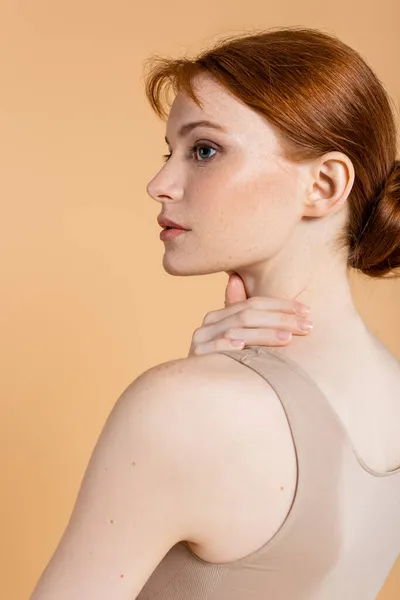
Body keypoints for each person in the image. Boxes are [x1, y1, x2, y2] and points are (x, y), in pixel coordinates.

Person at [29, 26, 400, 600]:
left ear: (323, 184)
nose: (159, 184)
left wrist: (194, 390)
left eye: (204, 150)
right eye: (169, 153)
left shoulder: (179, 410)